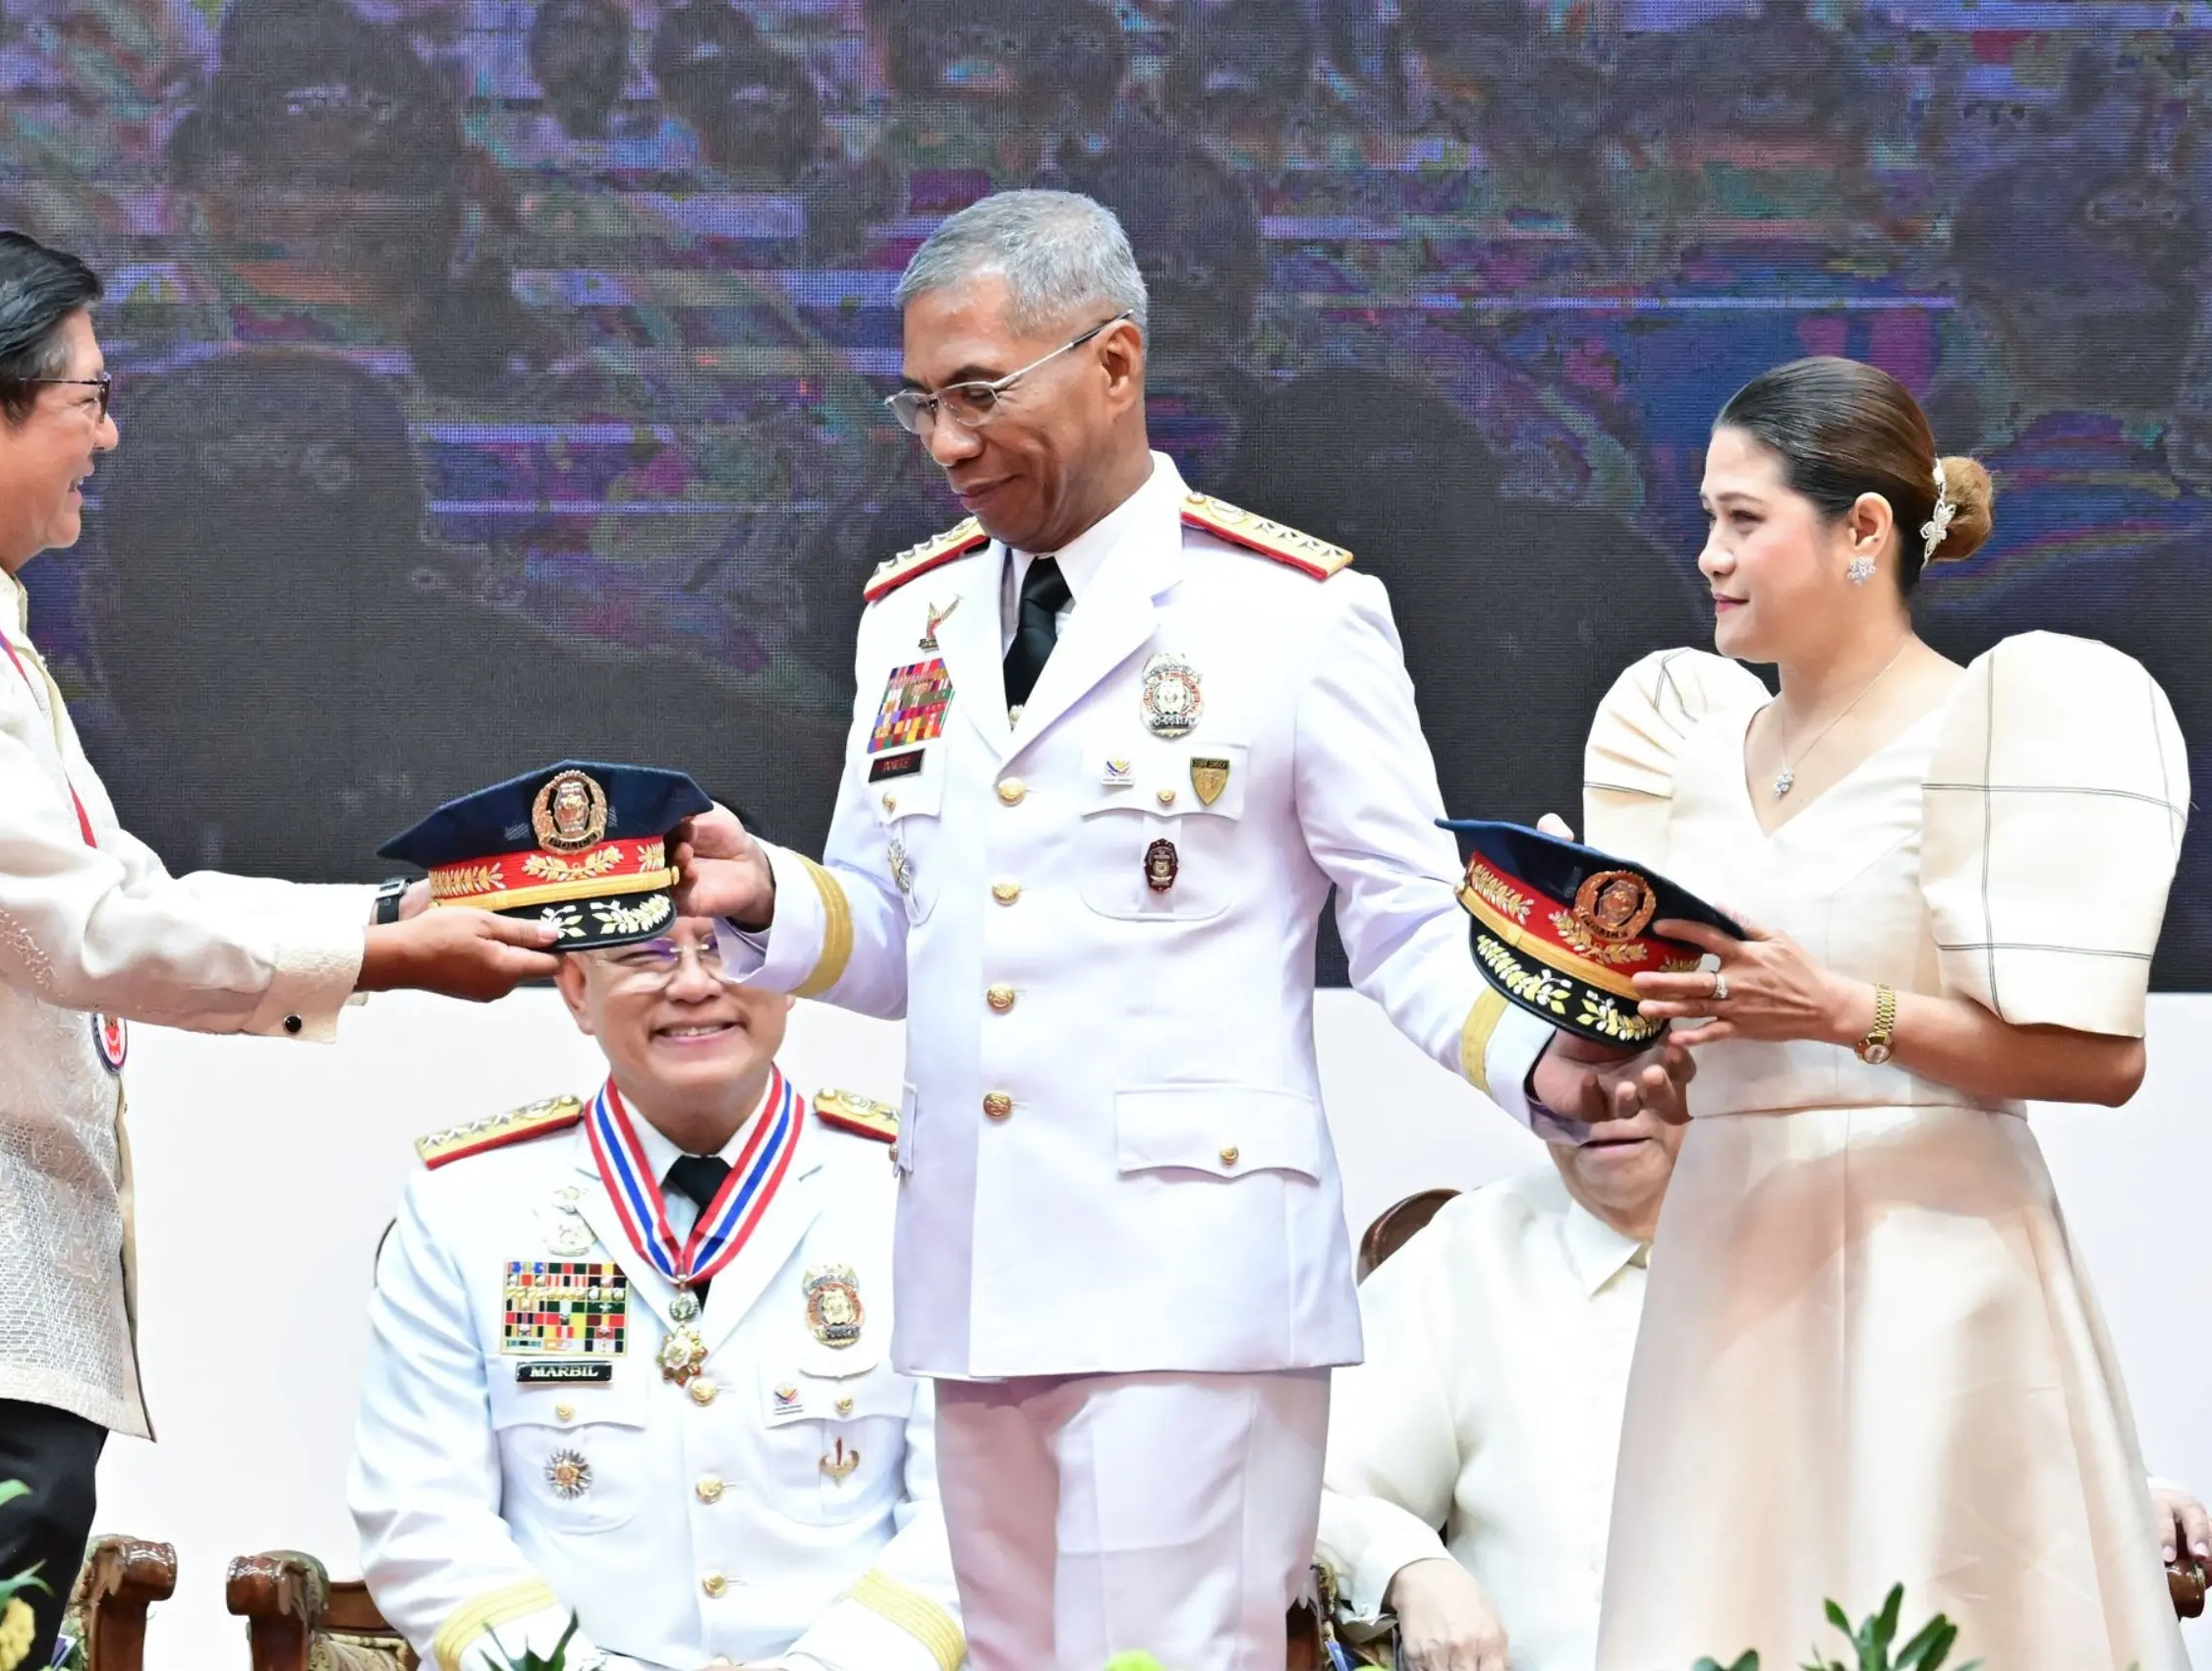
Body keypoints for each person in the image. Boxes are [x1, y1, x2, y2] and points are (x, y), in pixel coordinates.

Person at [672, 189, 1692, 1671]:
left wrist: (1541, 1058)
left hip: (1192, 1285)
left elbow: (1406, 918)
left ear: (1113, 363)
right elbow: (896, 926)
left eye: (980, 394)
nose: (946, 442)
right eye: (921, 403)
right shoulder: (910, 614)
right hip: (977, 1274)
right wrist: (768, 896)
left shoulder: (1293, 613)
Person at [0, 225, 562, 1666]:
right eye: (89, 399)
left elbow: (118, 882)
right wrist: (386, 957)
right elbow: (78, 927)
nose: (109, 437)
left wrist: (385, 917)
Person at [1580, 355, 2188, 1670]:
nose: (1709, 555)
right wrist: (1641, 1054)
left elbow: (2103, 1059)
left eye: (1744, 519)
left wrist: (1842, 1008)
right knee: (1728, 1593)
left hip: (1932, 1254)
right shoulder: (1684, 749)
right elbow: (1692, 1032)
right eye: (1706, 518)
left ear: (1862, 527)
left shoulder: (1997, 728)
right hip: (1730, 1252)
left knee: (1935, 1591)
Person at [353, 770, 962, 1670]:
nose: (693, 984)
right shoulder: (466, 1209)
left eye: (724, 947)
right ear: (575, 989)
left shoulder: (911, 1191)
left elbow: (966, 1510)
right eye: (645, 954)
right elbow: (423, 1519)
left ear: (789, 973)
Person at [1319, 1096, 2212, 1671]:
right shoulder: (1470, 1253)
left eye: (1640, 1051)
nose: (1606, 1096)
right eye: (1567, 1057)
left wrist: (2120, 1503)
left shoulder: (1837, 1220)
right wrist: (1413, 1567)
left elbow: (1965, 1443)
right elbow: (1320, 1486)